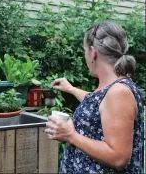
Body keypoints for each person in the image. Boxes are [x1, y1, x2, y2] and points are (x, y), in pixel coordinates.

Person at [45, 21, 143, 173]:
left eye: (85, 51)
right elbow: (98, 103)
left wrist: (70, 135)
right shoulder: (111, 88)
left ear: (93, 52)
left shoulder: (119, 92)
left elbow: (119, 157)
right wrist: (71, 89)